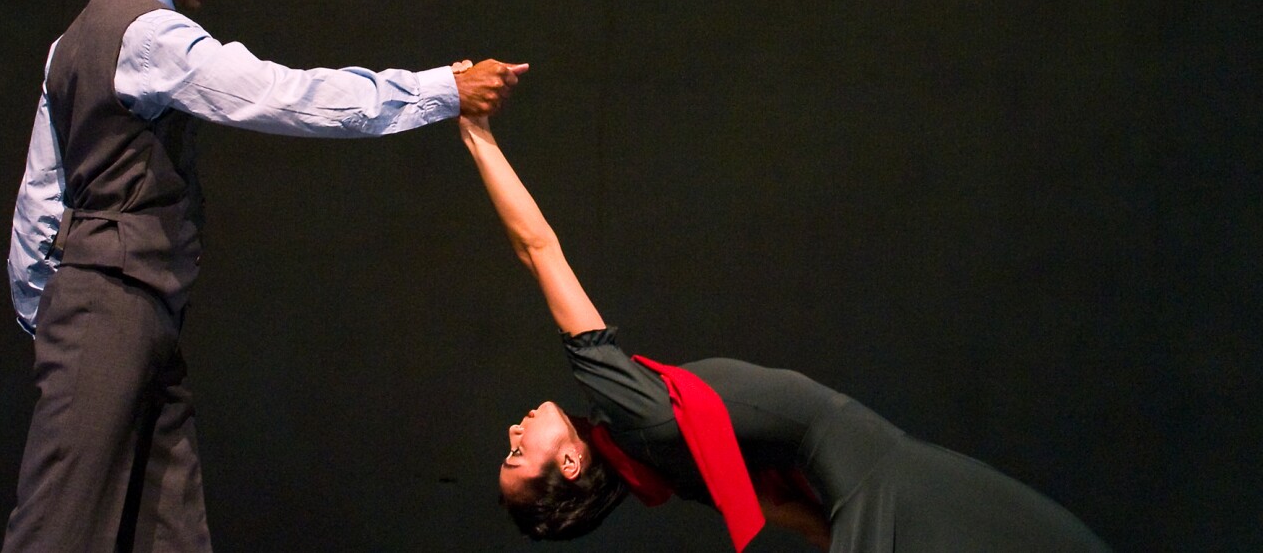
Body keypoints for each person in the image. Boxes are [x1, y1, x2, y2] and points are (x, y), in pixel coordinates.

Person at [3, 0, 527, 553]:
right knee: (58, 531)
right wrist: (441, 90)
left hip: (131, 315)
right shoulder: (150, 36)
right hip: (108, 311)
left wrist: (48, 314)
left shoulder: (69, 42)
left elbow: (41, 199)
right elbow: (284, 95)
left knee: (172, 535)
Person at [457, 112, 1110, 552]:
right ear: (570, 464)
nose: (513, 431)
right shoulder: (626, 415)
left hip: (871, 482)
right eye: (518, 454)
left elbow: (786, 512)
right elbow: (539, 249)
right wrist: (477, 133)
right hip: (871, 480)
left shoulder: (656, 467)